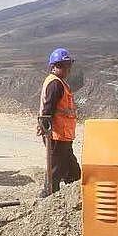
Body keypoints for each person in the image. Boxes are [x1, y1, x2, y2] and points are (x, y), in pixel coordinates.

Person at [38, 47, 80, 196]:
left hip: (63, 136)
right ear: (55, 66)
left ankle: (75, 197)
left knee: (73, 172)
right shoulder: (55, 84)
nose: (68, 69)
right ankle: (47, 198)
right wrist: (44, 128)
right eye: (64, 66)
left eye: (68, 65)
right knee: (55, 171)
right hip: (56, 135)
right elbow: (47, 110)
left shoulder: (59, 83)